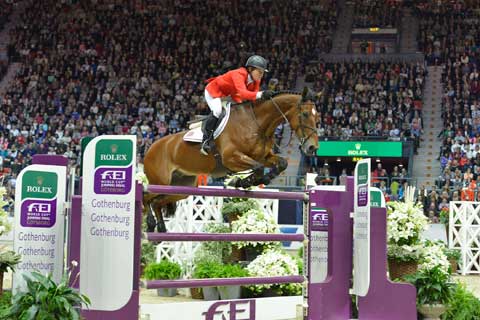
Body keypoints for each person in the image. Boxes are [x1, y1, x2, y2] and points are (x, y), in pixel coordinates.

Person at [200, 55, 274, 155]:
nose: (261, 75)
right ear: (250, 69)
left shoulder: (256, 80)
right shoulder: (238, 74)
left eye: (262, 73)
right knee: (217, 111)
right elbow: (244, 93)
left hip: (231, 95)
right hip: (214, 92)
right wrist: (261, 94)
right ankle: (205, 141)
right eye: (259, 72)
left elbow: (252, 97)